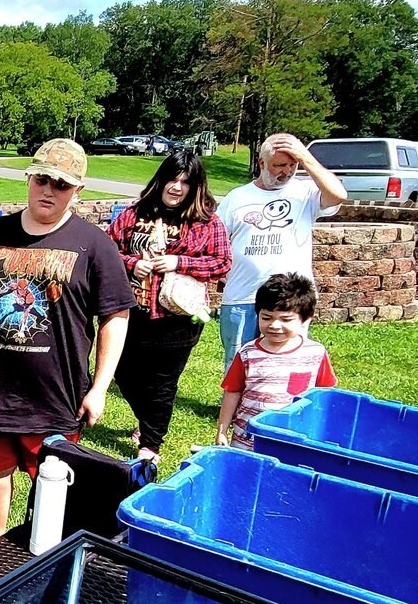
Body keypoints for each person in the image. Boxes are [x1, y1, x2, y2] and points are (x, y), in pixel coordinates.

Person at [0, 139, 133, 545]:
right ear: (29, 177)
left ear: (78, 190)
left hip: (56, 395)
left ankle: (44, 570)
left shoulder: (95, 245)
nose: (48, 190)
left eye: (61, 184)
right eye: (42, 178)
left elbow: (116, 316)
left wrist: (99, 388)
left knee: (53, 506)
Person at [107, 151, 230, 463]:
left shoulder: (206, 222)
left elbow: (221, 262)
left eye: (185, 182)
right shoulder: (134, 214)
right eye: (172, 180)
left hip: (179, 317)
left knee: (163, 383)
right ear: (161, 180)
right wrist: (132, 263)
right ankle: (149, 422)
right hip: (132, 310)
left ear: (195, 186)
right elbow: (108, 250)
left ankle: (150, 445)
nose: (177, 187)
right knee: (123, 373)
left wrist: (179, 262)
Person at [216, 133, 346, 368]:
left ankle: (279, 404)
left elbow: (339, 195)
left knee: (286, 362)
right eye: (279, 165)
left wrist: (305, 157)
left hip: (291, 299)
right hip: (241, 296)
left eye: (292, 165)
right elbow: (216, 240)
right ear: (261, 163)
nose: (286, 171)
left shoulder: (306, 193)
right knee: (237, 362)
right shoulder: (237, 197)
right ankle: (235, 405)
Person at [217, 272, 336, 449]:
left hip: (294, 440)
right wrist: (222, 430)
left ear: (306, 319)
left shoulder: (315, 353)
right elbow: (232, 392)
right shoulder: (248, 353)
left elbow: (326, 395)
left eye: (285, 319)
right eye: (266, 318)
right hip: (247, 441)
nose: (274, 325)